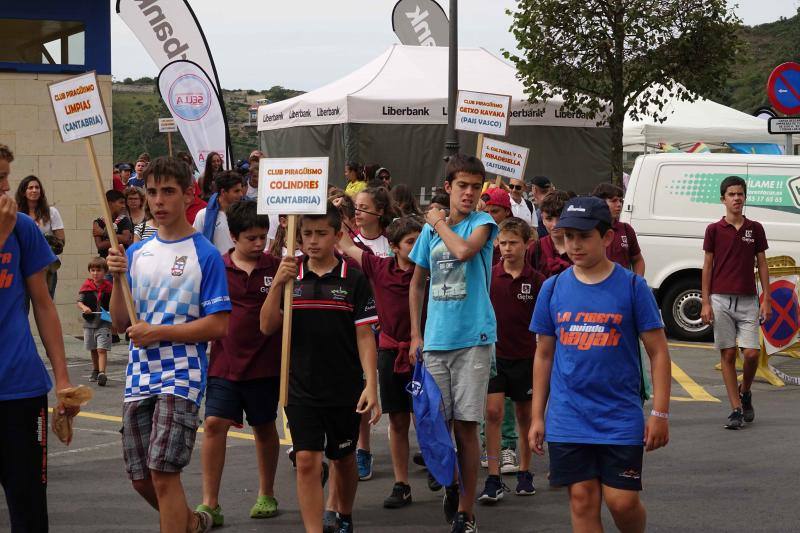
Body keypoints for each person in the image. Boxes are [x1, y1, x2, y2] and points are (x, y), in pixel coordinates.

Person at [529, 196, 671, 533]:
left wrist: (660, 413)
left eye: (584, 236)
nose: (574, 245)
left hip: (618, 416)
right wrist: (537, 416)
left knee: (622, 502)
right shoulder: (552, 288)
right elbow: (544, 354)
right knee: (582, 499)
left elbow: (659, 352)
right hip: (568, 416)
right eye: (568, 236)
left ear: (607, 237)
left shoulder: (633, 286)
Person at [106, 156, 231, 533]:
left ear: (188, 194)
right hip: (138, 377)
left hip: (182, 375)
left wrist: (158, 332)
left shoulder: (205, 254)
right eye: (152, 192)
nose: (159, 200)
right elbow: (120, 323)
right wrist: (117, 279)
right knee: (141, 477)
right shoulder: (135, 254)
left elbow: (219, 325)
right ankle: (190, 522)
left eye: (169, 192)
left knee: (163, 471)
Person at [260, 202, 380, 533]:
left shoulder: (354, 279)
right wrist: (276, 285)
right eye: (307, 234)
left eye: (321, 233)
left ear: (337, 235)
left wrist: (371, 384)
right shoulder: (290, 276)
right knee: (306, 460)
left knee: (343, 459)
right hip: (299, 387)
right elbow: (267, 326)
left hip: (344, 388)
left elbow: (365, 336)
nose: (313, 241)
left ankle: (344, 513)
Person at [409, 154, 499, 532]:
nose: (469, 193)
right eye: (462, 185)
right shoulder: (432, 231)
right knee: (435, 423)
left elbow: (463, 251)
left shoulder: (483, 222)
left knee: (465, 426)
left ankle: (466, 512)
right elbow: (416, 283)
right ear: (448, 187)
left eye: (476, 187)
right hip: (436, 339)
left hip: (473, 337)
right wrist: (416, 334)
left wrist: (438, 222)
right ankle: (452, 482)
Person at [0, 143, 78, 532]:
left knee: (29, 510)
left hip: (20, 387)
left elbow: (44, 305)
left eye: (5, 176)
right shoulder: (7, 229)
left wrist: (62, 379)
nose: (5, 187)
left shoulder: (24, 227)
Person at [196, 200, 282, 526]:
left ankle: (266, 493)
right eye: (251, 238)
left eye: (263, 237)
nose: (259, 244)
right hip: (225, 362)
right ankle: (210, 502)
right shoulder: (216, 267)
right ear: (233, 236)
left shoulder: (277, 267)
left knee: (265, 427)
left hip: (265, 364)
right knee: (214, 424)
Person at [339, 216, 422, 509]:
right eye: (411, 242)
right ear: (395, 247)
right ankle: (402, 484)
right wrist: (335, 213)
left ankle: (441, 469)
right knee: (397, 420)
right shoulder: (379, 267)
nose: (417, 247)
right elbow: (346, 245)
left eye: (420, 241)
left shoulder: (430, 271)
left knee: (428, 418)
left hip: (424, 353)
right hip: (390, 352)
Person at [479, 217, 544, 504]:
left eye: (513, 243)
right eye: (503, 242)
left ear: (527, 244)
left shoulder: (537, 281)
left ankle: (525, 472)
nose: (507, 248)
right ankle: (493, 477)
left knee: (524, 416)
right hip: (495, 356)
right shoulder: (489, 276)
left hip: (526, 358)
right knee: (493, 413)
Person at [700, 175, 770, 430]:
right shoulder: (714, 229)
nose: (736, 198)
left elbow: (762, 264)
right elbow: (708, 266)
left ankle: (745, 391)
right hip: (720, 299)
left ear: (745, 197)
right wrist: (705, 302)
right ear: (723, 199)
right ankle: (735, 409)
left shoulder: (755, 228)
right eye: (731, 194)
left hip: (749, 300)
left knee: (752, 354)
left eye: (740, 194)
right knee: (728, 353)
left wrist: (767, 299)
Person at [15, 175, 64, 299]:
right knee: (22, 305)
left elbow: (61, 241)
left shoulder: (51, 212)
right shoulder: (16, 214)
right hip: (22, 267)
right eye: (30, 187)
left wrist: (43, 242)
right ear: (23, 191)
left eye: (37, 187)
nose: (34, 190)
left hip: (46, 266)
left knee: (45, 303)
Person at [592, 182, 645, 275]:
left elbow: (638, 260)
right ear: (600, 203)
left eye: (620, 201)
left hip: (622, 283)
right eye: (614, 201)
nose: (619, 204)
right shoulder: (589, 229)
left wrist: (637, 281)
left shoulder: (626, 229)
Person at [77, 257, 113, 387]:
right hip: (89, 323)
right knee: (93, 349)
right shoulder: (86, 286)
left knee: (101, 349)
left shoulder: (109, 287)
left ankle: (102, 373)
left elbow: (115, 302)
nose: (95, 273)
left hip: (104, 323)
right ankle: (95, 370)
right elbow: (79, 301)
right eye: (93, 270)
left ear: (105, 272)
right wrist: (84, 307)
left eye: (99, 270)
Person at [192, 170, 245, 254]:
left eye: (241, 190)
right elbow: (196, 243)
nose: (241, 194)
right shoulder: (203, 215)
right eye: (236, 191)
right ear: (223, 192)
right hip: (215, 262)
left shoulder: (244, 214)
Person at [528, 190, 573, 278]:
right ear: (542, 218)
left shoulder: (580, 247)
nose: (555, 224)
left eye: (560, 218)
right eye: (549, 219)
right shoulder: (535, 249)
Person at [93, 189, 134, 258]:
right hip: (105, 260)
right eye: (121, 202)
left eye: (124, 203)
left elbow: (125, 238)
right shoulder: (98, 222)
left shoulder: (125, 220)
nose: (124, 206)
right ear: (110, 204)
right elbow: (99, 245)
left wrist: (104, 233)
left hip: (122, 259)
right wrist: (120, 240)